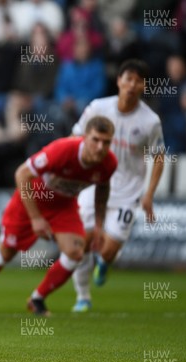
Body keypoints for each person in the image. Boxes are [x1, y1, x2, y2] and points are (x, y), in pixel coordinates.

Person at [0, 116, 118, 315]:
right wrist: (36, 219)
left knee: (75, 252)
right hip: (31, 200)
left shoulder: (109, 163)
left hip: (64, 206)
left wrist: (99, 225)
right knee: (8, 250)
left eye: (106, 142)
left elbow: (102, 190)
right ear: (84, 137)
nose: (101, 147)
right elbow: (22, 174)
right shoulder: (63, 150)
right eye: (95, 140)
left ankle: (37, 298)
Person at [68, 59, 166, 312]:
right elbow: (75, 137)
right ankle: (83, 297)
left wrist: (149, 194)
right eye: (128, 79)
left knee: (108, 249)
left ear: (144, 85)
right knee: (82, 241)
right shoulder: (98, 108)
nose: (132, 85)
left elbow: (158, 157)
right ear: (119, 81)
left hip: (127, 191)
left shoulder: (150, 121)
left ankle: (105, 262)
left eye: (138, 80)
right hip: (93, 182)